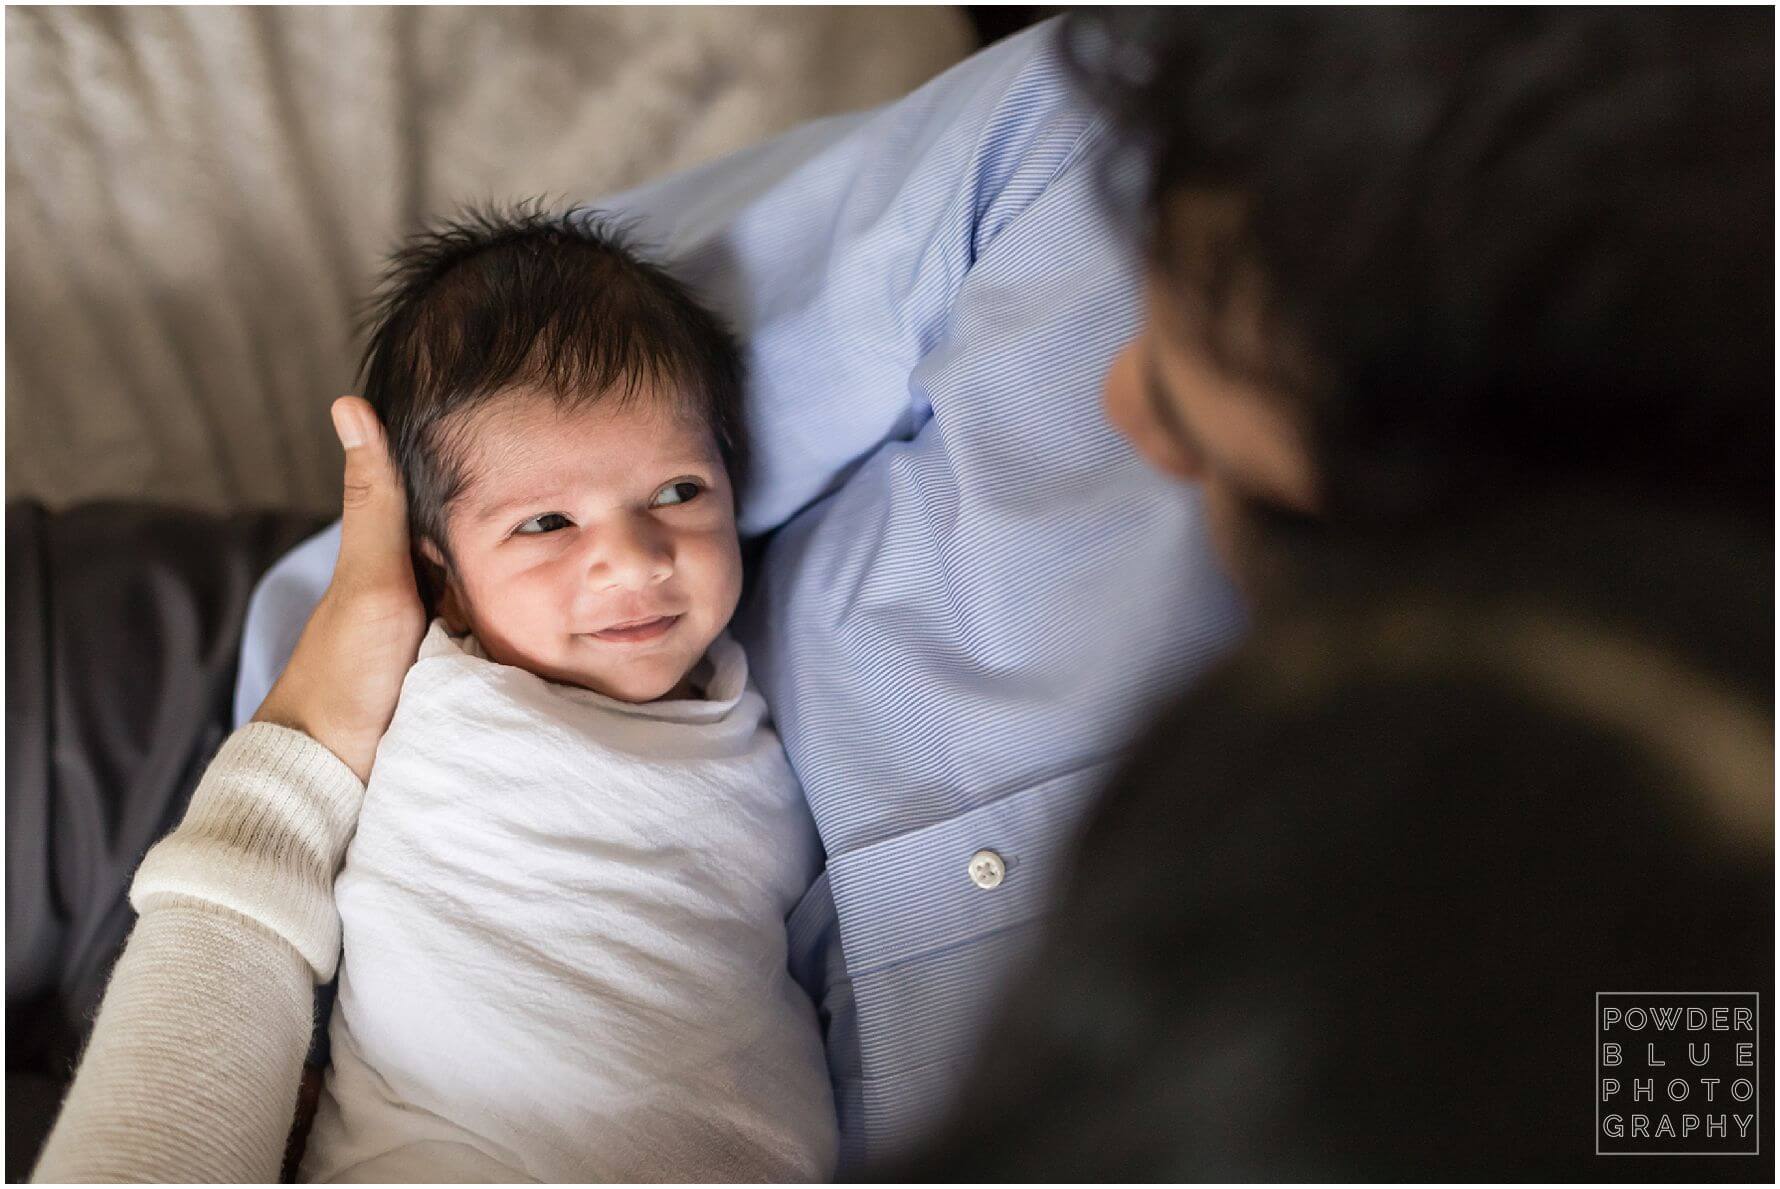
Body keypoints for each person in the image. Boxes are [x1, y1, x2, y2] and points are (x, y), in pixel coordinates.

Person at [34, 8, 1773, 1182]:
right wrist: (354, 687)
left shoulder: (1602, 924)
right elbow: (553, 369)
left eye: (1217, 399)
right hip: (354, 680)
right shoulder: (1143, 133)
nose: (1122, 403)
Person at [277, 206, 831, 1180]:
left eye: (677, 492)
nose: (632, 558)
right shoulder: (432, 693)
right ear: (441, 570)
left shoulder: (751, 707)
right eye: (545, 522)